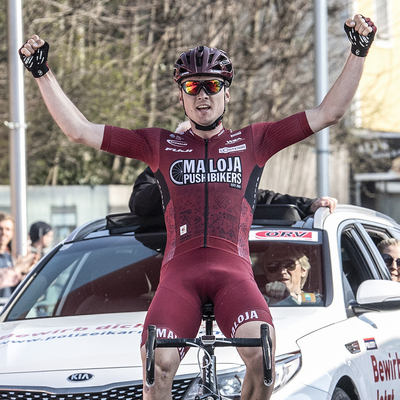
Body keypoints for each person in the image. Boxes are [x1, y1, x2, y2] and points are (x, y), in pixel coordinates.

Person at [19, 14, 376, 400]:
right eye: (192, 86)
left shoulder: (255, 140)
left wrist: (357, 53)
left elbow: (329, 113)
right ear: (181, 96)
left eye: (212, 86)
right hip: (179, 277)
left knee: (264, 356)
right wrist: (42, 74)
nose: (202, 95)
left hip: (233, 274)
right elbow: (80, 131)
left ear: (227, 94)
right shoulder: (156, 144)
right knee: (156, 366)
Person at [129, 165, 338, 217]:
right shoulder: (162, 171)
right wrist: (174, 177)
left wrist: (307, 205)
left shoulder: (220, 171)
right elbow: (139, 203)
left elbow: (258, 197)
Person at [0, 212, 37, 298]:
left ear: (12, 233)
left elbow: (13, 288)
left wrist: (24, 272)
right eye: (0, 228)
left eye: (7, 229)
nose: (3, 233)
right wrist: (16, 269)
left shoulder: (8, 257)